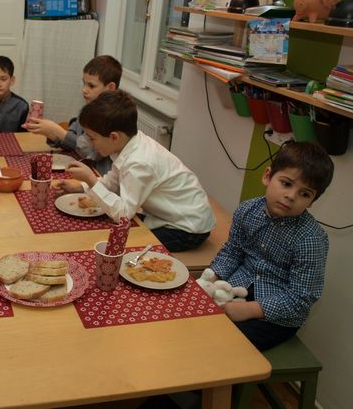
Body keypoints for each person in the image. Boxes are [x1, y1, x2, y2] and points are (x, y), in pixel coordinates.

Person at [207, 141, 334, 351]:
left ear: (312, 201)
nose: (291, 196)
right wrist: (210, 279)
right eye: (286, 183)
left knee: (221, 344)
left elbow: (300, 299)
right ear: (267, 176)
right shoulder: (247, 210)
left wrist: (248, 310)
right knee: (194, 323)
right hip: (236, 287)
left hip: (276, 315)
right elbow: (233, 252)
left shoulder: (310, 239)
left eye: (304, 194)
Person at [58, 90, 215, 252]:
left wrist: (91, 179)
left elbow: (123, 215)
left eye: (92, 138)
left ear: (114, 137)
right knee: (108, 231)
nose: (90, 143)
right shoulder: (128, 144)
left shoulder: (139, 162)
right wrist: (82, 186)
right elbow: (112, 181)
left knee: (118, 246)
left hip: (187, 228)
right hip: (168, 215)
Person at [23, 55, 122, 175]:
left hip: (98, 175)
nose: (84, 89)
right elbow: (73, 140)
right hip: (80, 167)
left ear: (111, 88)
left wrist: (59, 133)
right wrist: (51, 133)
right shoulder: (89, 108)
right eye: (84, 83)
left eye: (91, 86)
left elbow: (92, 152)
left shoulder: (114, 116)